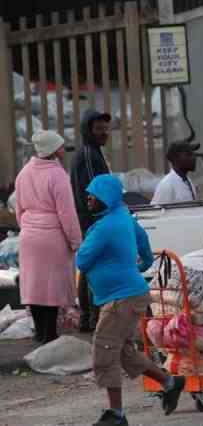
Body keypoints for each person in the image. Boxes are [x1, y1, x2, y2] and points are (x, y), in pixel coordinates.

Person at [76, 174, 185, 426]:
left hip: (120, 298)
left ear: (108, 198)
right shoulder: (123, 216)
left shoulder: (104, 227)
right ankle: (170, 382)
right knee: (123, 351)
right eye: (89, 194)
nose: (89, 199)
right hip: (130, 293)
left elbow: (82, 260)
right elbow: (144, 245)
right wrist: (144, 263)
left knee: (104, 349)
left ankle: (117, 415)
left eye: (95, 195)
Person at [15, 131, 82, 344]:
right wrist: (75, 241)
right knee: (52, 288)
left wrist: (28, 227)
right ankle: (51, 335)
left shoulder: (23, 173)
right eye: (61, 146)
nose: (64, 149)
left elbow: (19, 210)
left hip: (28, 236)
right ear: (53, 149)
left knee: (34, 287)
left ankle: (40, 332)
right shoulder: (58, 175)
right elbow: (67, 213)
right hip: (52, 237)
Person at [70, 110, 111, 332]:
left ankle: (89, 319)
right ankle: (92, 318)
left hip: (92, 220)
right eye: (98, 129)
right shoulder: (88, 154)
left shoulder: (94, 152)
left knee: (89, 269)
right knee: (93, 271)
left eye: (106, 129)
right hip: (91, 221)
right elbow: (92, 194)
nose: (104, 133)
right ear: (87, 130)